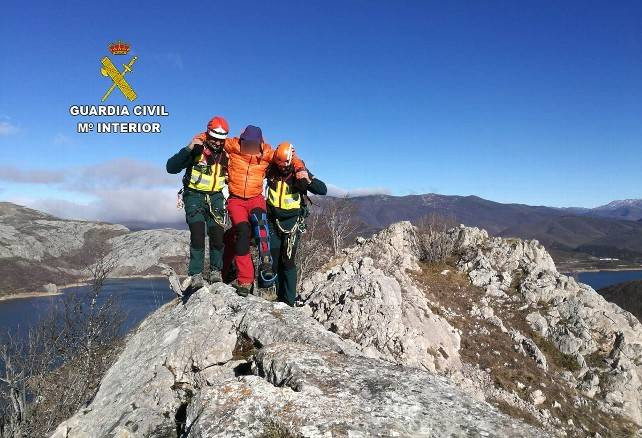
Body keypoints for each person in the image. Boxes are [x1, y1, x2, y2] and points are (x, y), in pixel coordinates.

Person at [221, 126, 309, 297]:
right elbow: (212, 138)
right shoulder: (233, 146)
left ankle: (266, 264)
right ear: (242, 141)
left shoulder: (267, 153)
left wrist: (299, 169)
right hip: (236, 199)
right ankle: (245, 280)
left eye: (254, 144)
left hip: (255, 198)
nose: (250, 147)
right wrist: (198, 141)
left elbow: (289, 157)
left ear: (260, 143)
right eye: (247, 143)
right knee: (242, 233)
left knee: (261, 226)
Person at [166, 116, 229, 290]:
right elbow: (171, 168)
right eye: (215, 138)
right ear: (208, 134)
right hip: (194, 195)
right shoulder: (197, 149)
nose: (217, 142)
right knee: (198, 233)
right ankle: (196, 274)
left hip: (216, 197)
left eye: (221, 139)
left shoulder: (226, 154)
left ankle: (216, 271)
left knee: (217, 235)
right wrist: (188, 149)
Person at [266, 142, 327, 306]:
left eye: (285, 165)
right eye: (279, 165)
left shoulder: (298, 172)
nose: (283, 169)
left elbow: (323, 189)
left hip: (292, 223)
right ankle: (279, 298)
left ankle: (289, 301)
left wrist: (307, 179)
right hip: (273, 221)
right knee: (275, 260)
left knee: (288, 262)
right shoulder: (271, 169)